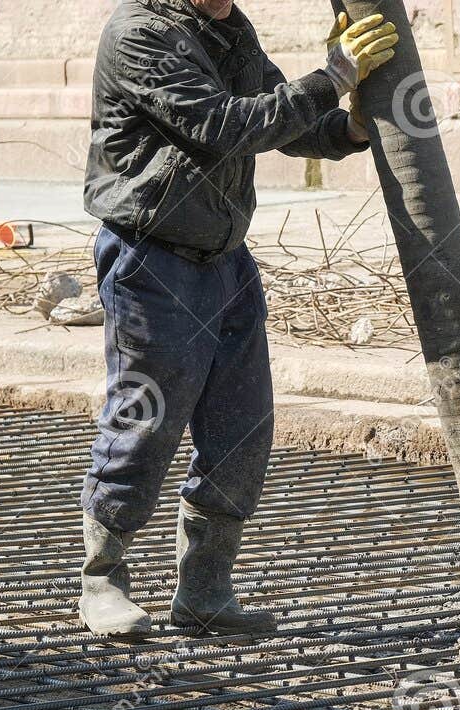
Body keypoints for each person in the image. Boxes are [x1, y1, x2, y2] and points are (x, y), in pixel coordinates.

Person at [76, 0, 396, 637]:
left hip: (225, 258)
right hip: (153, 257)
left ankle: (204, 588)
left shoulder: (226, 27)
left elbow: (281, 117)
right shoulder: (141, 33)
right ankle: (102, 578)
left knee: (241, 427)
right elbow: (226, 126)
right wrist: (333, 75)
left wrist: (351, 127)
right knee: (147, 420)